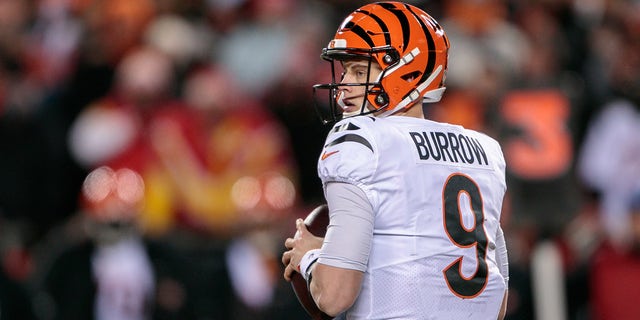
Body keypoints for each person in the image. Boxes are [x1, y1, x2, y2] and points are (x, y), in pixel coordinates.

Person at [281, 2, 509, 319]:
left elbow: (334, 295)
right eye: (346, 70)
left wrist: (309, 258)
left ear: (409, 69)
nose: (345, 85)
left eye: (360, 71)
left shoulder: (362, 140)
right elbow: (495, 300)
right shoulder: (485, 150)